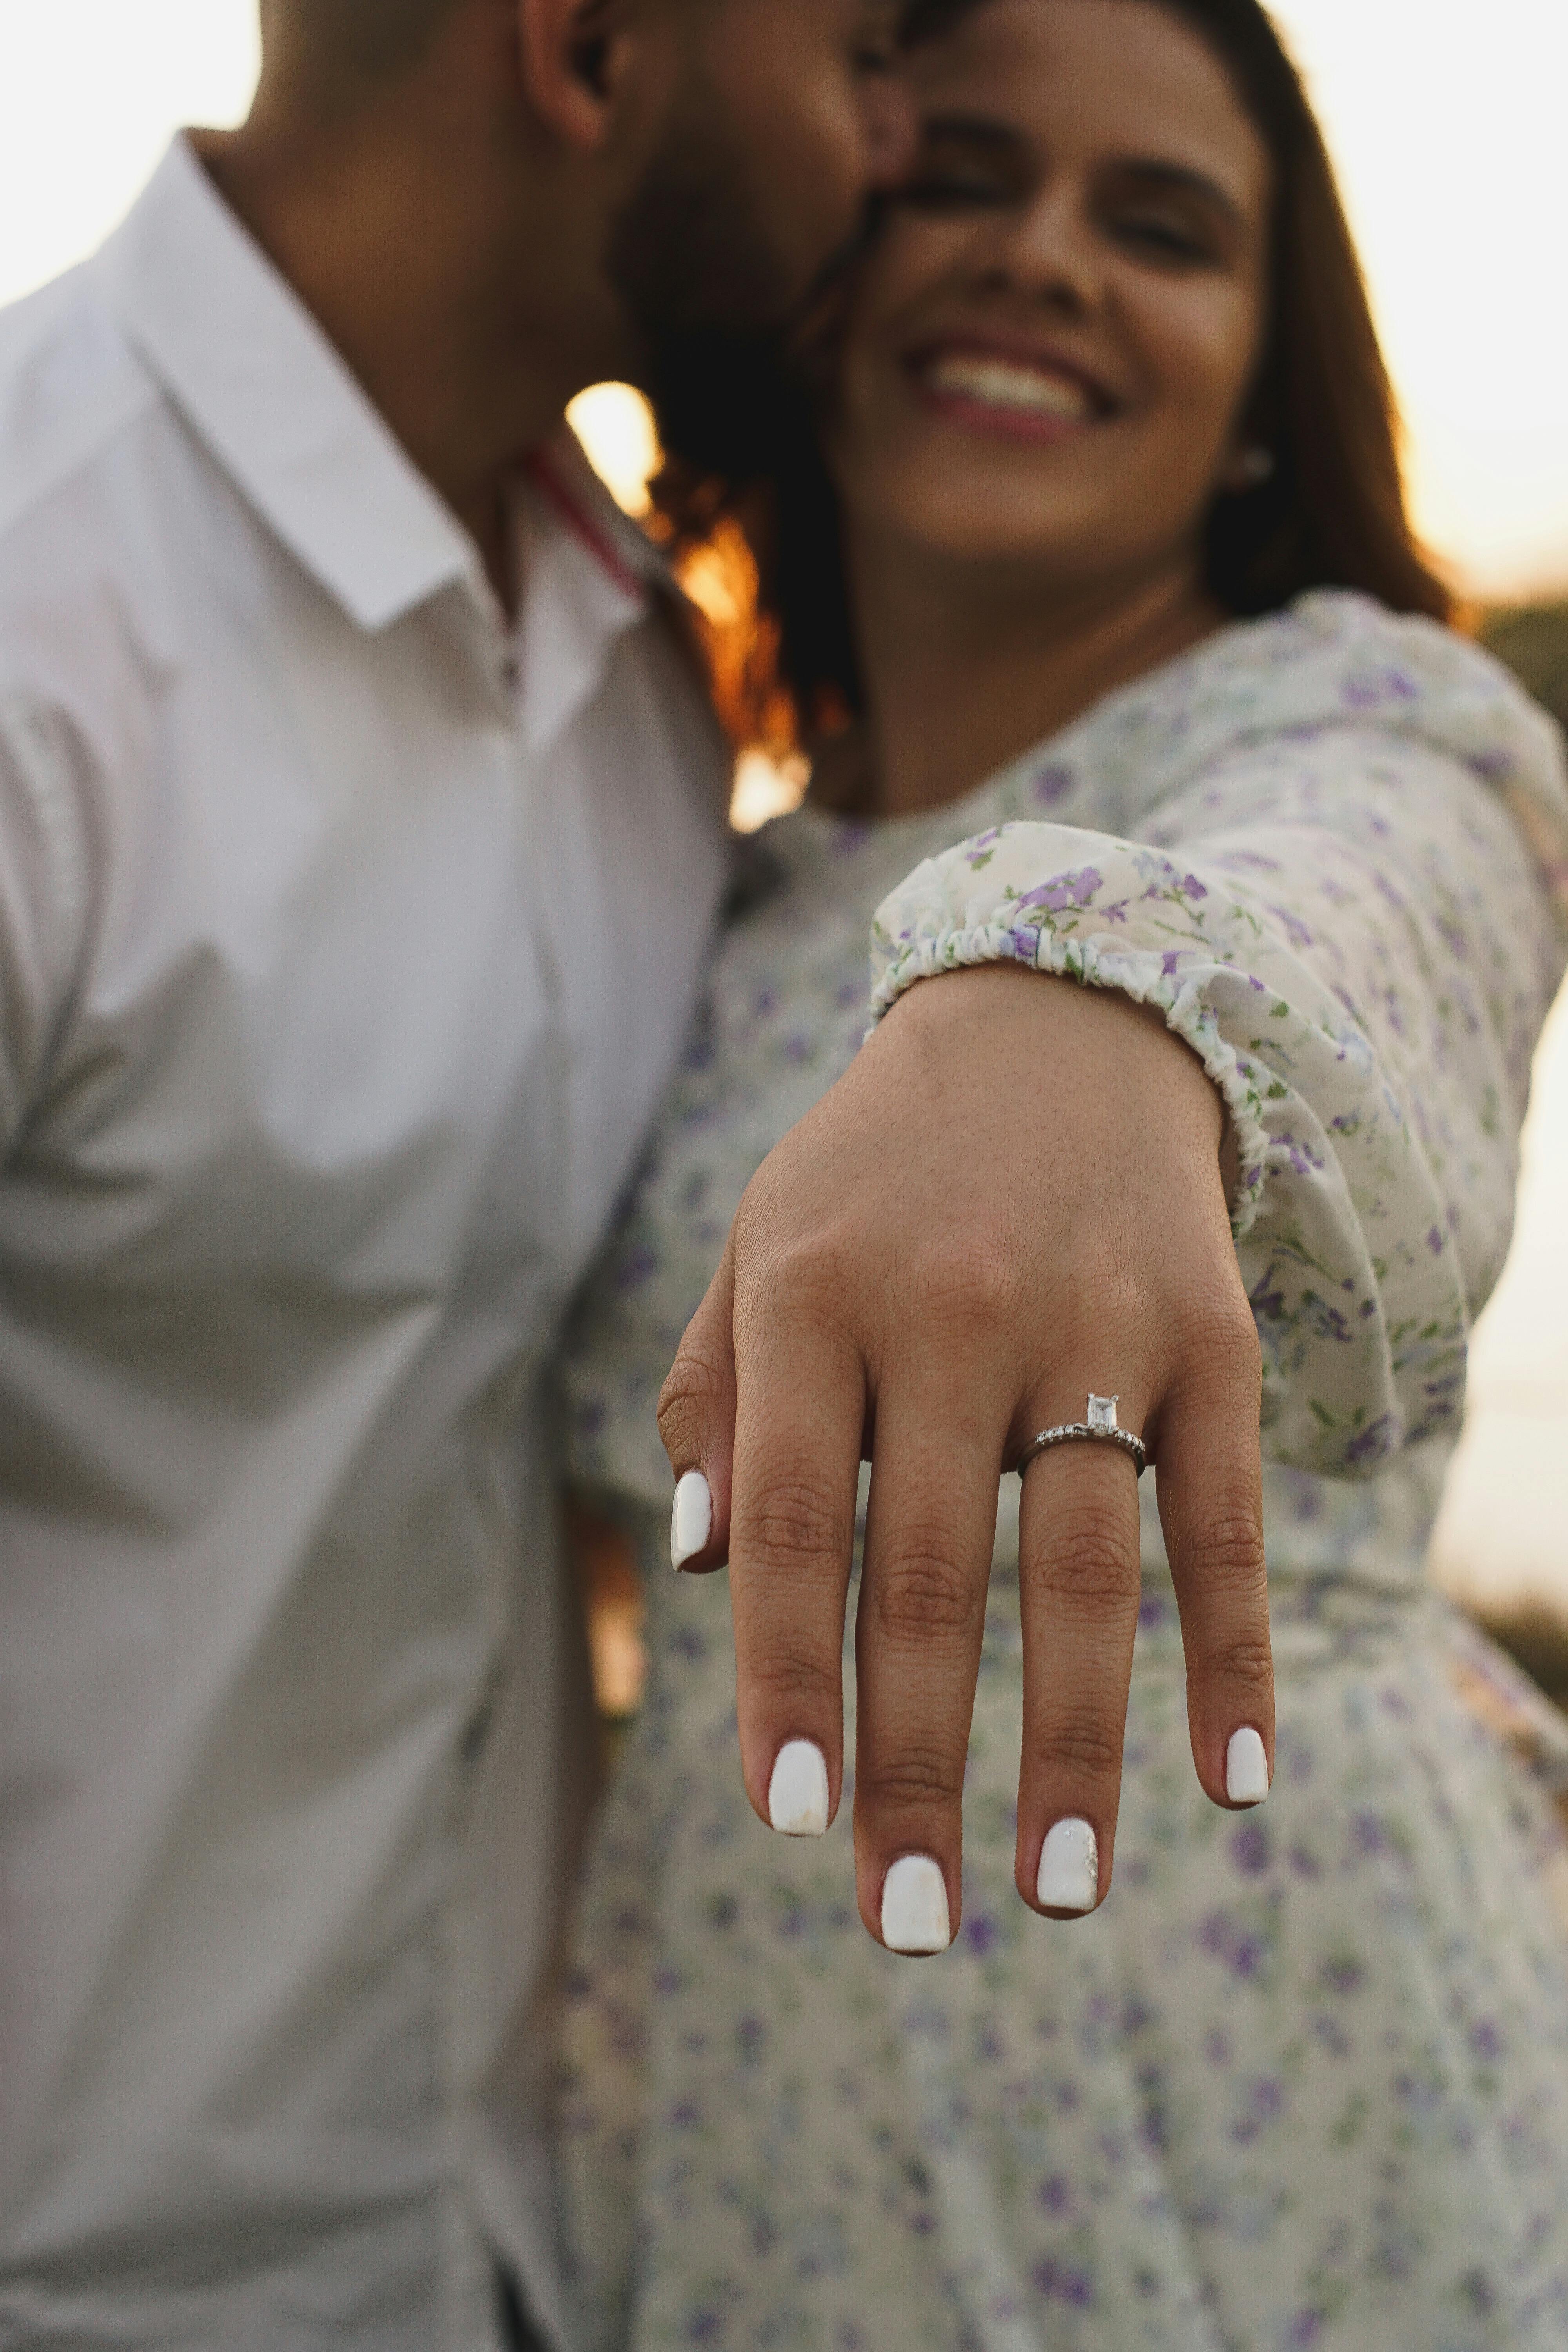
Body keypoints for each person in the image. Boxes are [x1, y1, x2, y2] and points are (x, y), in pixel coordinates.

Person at [0, 4, 1047, 2347]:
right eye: (862, 50)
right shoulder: (34, 626)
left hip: (523, 2250)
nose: (899, 140)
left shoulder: (645, 683)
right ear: (586, 49)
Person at [559, 0, 1568, 2342]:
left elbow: (1370, 901)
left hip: (1241, 2096)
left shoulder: (1375, 722)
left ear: (1251, 385)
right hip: (738, 2105)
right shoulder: (713, 870)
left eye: (1162, 227)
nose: (1046, 260)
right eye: (967, 177)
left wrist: (1096, 1000)